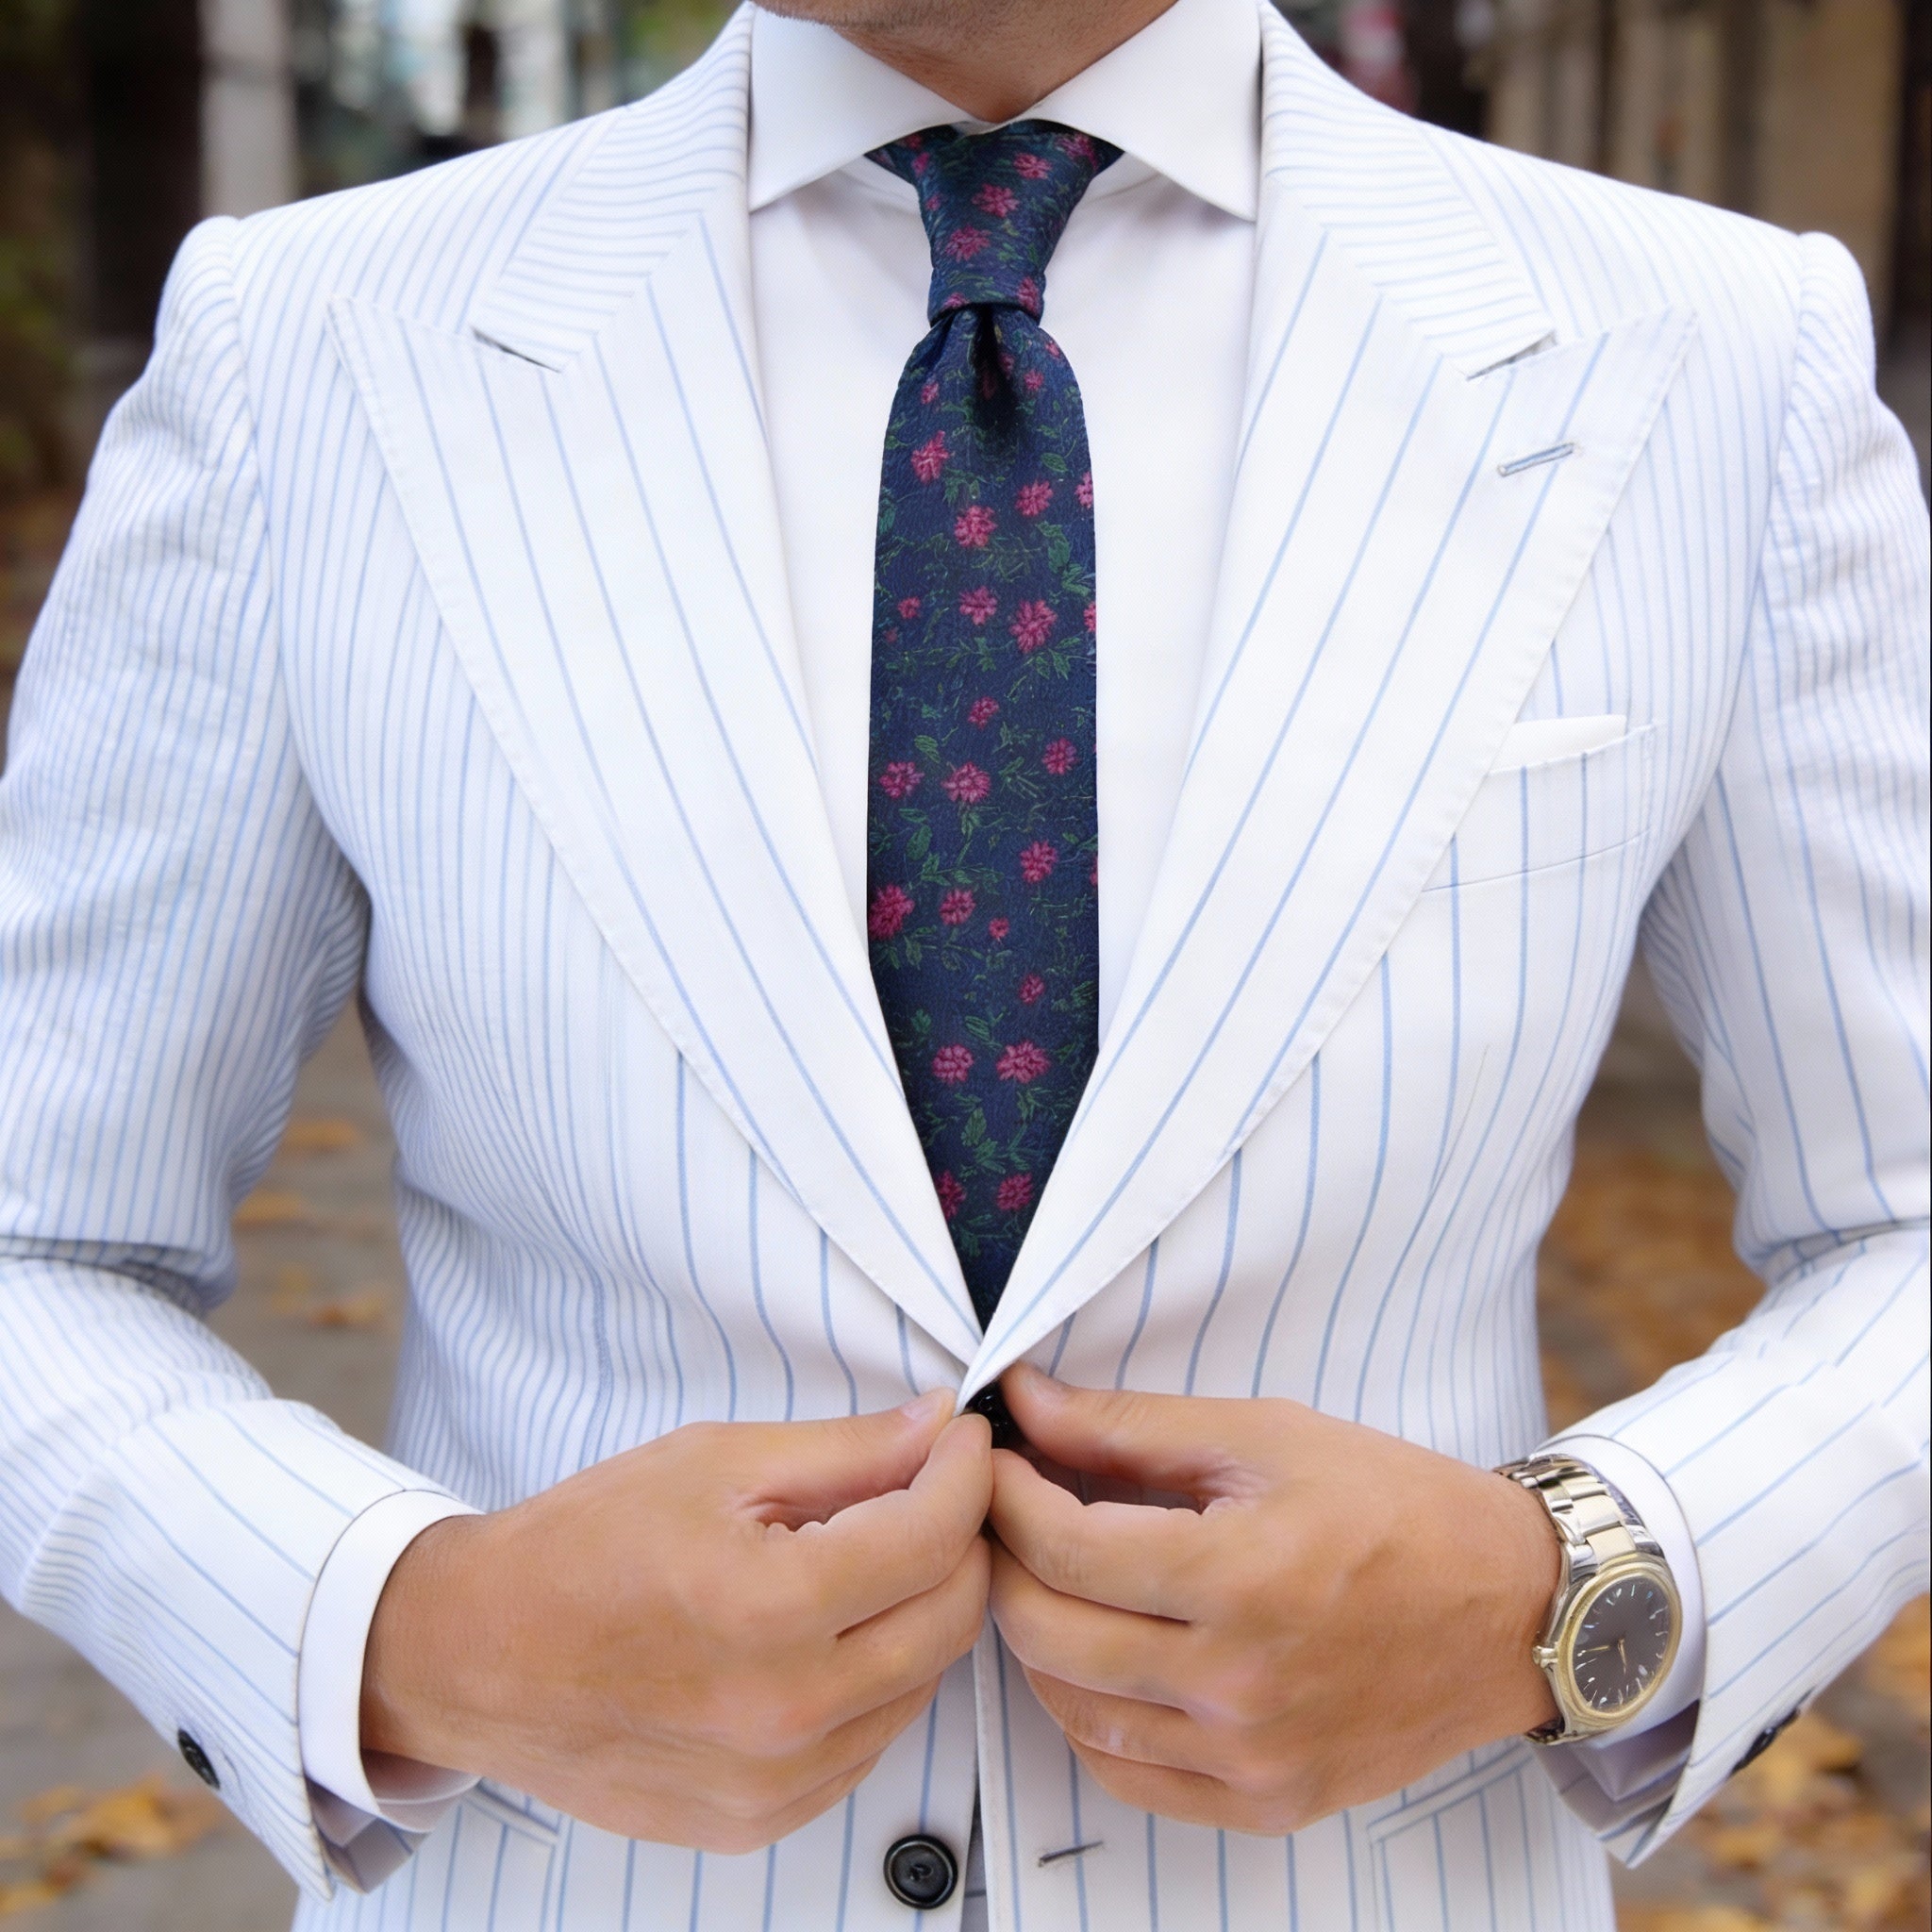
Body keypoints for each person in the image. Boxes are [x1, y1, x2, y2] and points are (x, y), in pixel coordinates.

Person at [0, 0, 1924, 1921]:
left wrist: (1576, 1588)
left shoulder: (1712, 357)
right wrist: (404, 1630)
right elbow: (36, 1238)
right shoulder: (309, 350)